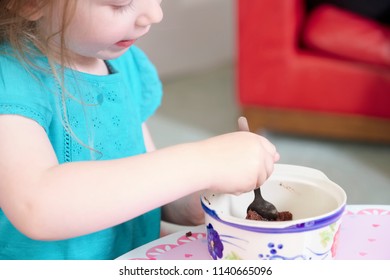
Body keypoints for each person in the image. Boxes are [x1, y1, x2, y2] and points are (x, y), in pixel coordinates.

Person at [0, 0, 279, 260]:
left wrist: (204, 191)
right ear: (31, 3)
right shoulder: (9, 82)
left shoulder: (124, 63)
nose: (154, 15)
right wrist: (201, 161)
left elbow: (149, 191)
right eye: (121, 2)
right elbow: (37, 206)